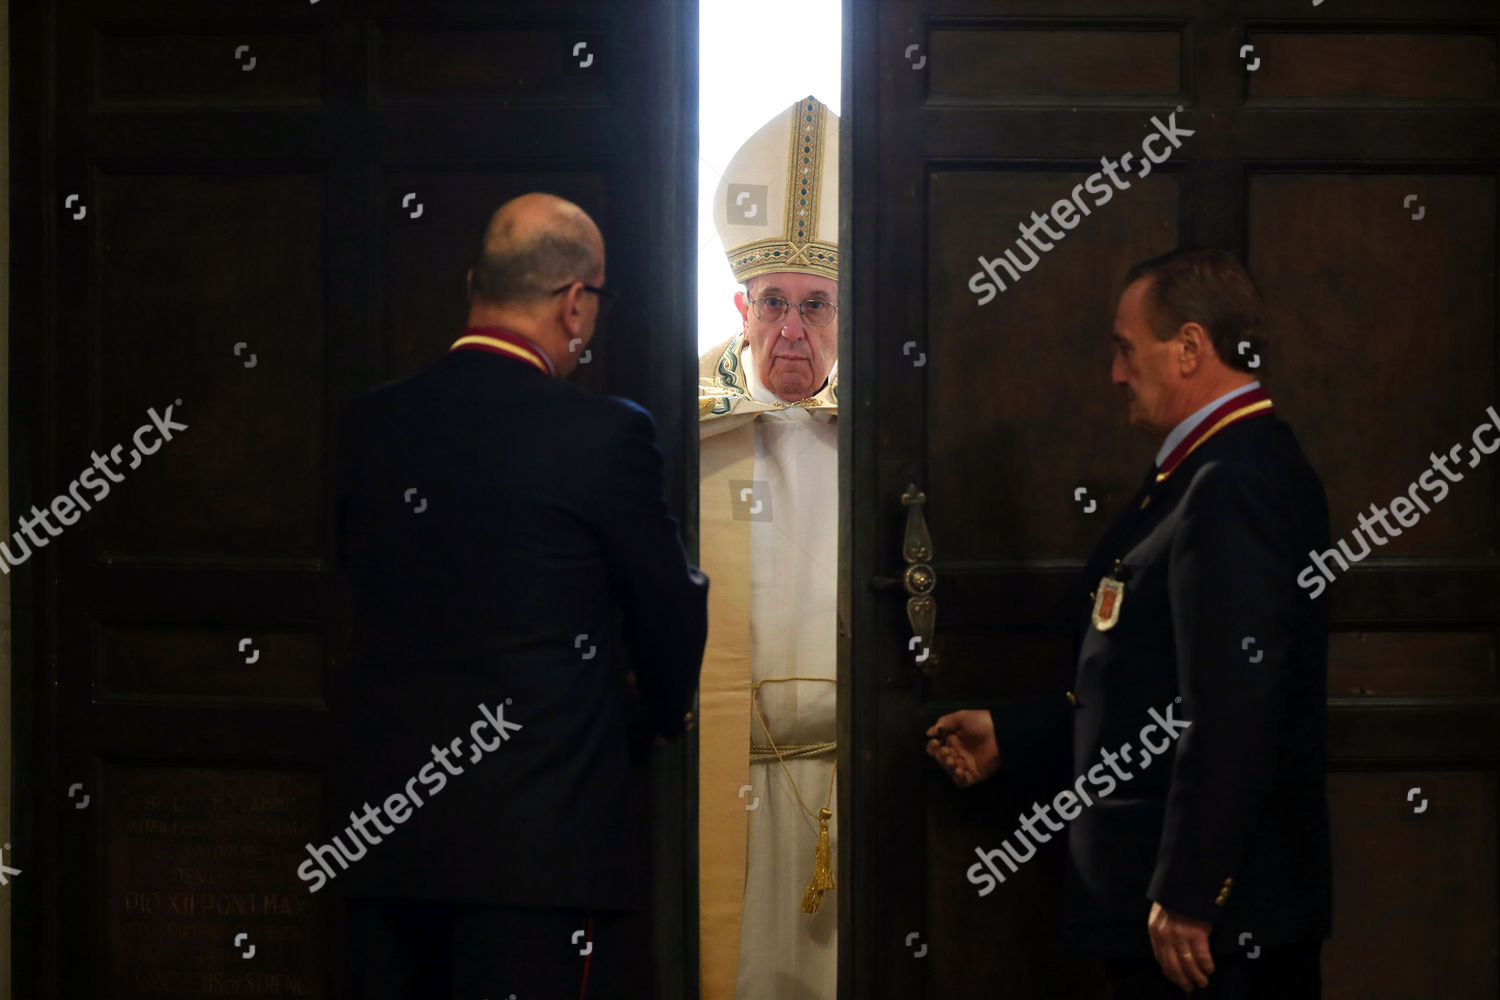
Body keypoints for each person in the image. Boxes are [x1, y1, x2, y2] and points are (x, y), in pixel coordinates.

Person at [331, 192, 709, 999]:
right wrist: (664, 709)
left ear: (476, 283)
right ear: (576, 302)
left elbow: (346, 591)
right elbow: (668, 603)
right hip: (541, 852)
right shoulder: (604, 434)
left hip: (384, 841)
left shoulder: (369, 424)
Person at [927, 249, 1332, 997]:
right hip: (1182, 915)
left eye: (1125, 349)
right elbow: (1156, 687)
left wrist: (1191, 890)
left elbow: (1237, 708)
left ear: (1189, 348)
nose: (1116, 374)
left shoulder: (1232, 481)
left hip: (1211, 930)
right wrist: (1016, 734)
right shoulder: (1202, 471)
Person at [697, 95, 840, 1000]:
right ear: (743, 305)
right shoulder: (686, 429)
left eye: (818, 305)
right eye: (776, 304)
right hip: (723, 776)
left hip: (843, 777)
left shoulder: (886, 435)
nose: (794, 331)